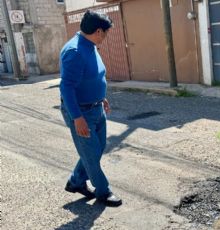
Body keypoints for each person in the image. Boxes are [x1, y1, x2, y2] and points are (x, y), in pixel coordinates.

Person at [59, 10, 121, 207]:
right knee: (91, 155)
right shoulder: (75, 52)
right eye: (106, 32)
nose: (107, 36)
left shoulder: (90, 45)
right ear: (98, 31)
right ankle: (103, 191)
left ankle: (76, 181)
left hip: (96, 107)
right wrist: (77, 117)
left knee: (96, 149)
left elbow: (92, 76)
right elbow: (66, 87)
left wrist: (101, 97)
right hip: (81, 112)